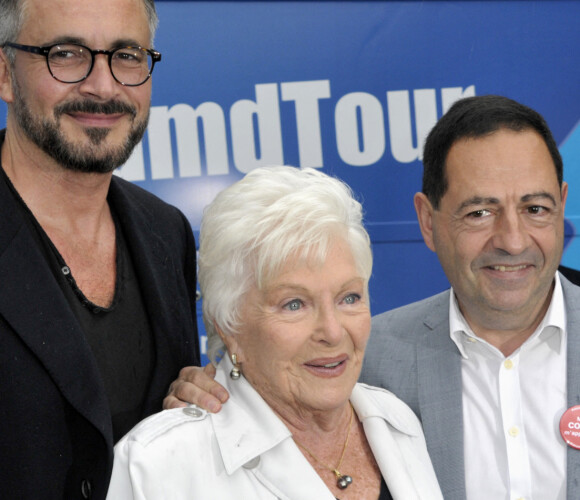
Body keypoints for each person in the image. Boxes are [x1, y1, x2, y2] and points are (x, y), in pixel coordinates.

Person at [167, 95, 580, 500]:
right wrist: (209, 396)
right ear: (427, 221)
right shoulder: (358, 360)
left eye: (536, 208)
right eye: (479, 213)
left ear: (563, 205)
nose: (511, 240)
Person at [0, 0, 199, 500]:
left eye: (126, 55)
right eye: (66, 54)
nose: (103, 85)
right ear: (5, 74)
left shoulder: (167, 232)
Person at [108, 166, 443, 499]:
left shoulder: (397, 421)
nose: (332, 330)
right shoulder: (157, 465)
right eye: (294, 304)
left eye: (349, 298)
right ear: (230, 326)